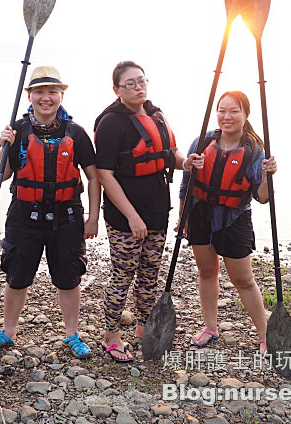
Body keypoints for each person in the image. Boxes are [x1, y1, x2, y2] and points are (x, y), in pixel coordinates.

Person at [0, 66, 100, 360]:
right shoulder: (16, 131)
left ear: (61, 95)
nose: (46, 98)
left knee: (68, 278)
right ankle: (8, 332)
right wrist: (3, 145)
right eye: (40, 92)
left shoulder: (76, 133)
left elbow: (94, 176)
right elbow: (0, 175)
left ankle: (72, 334)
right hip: (24, 216)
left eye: (52, 92)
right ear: (29, 96)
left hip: (67, 215)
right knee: (17, 276)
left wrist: (93, 218)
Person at [93, 61, 188, 363]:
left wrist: (188, 163)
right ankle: (111, 336)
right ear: (116, 89)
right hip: (125, 216)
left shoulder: (156, 114)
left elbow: (168, 155)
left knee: (149, 274)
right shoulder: (111, 123)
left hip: (158, 209)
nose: (138, 87)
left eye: (141, 81)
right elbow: (105, 175)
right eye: (130, 83)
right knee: (123, 274)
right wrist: (132, 216)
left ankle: (143, 327)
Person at [179, 90, 277, 355]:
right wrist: (182, 218)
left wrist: (269, 176)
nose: (227, 116)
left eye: (234, 111)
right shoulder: (201, 142)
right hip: (200, 215)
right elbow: (186, 183)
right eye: (222, 110)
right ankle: (210, 327)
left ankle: (265, 335)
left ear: (246, 114)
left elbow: (262, 197)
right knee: (207, 272)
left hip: (234, 219)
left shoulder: (255, 151)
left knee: (243, 279)